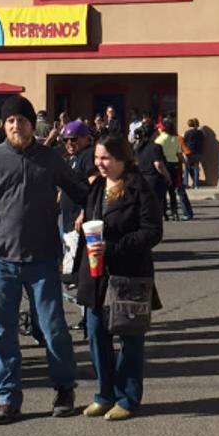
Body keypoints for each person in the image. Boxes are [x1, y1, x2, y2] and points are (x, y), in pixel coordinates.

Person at [0, 95, 89, 425]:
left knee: (53, 327)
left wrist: (98, 205)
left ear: (33, 125)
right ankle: (7, 397)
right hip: (0, 260)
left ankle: (64, 388)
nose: (17, 125)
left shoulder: (50, 159)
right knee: (2, 333)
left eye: (23, 120)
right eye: (11, 120)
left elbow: (79, 190)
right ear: (3, 125)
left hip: (43, 259)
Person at [74, 134, 162, 420]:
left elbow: (152, 232)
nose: (100, 163)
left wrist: (113, 247)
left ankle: (127, 398)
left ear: (123, 159)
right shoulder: (96, 187)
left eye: (106, 158)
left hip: (129, 274)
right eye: (97, 157)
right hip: (96, 274)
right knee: (96, 335)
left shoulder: (140, 188)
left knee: (130, 338)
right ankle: (104, 394)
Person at [155, 118, 193, 220]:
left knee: (163, 191)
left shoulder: (159, 140)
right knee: (172, 191)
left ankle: (164, 213)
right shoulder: (175, 139)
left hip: (164, 164)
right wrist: (184, 163)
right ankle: (174, 212)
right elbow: (179, 153)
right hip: (174, 165)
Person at [133, 125, 170, 216]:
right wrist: (167, 176)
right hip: (153, 179)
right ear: (152, 134)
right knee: (156, 204)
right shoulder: (155, 147)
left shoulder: (137, 147)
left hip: (141, 177)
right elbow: (158, 164)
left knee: (144, 203)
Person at [182, 118, 204, 189]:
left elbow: (183, 141)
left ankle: (186, 183)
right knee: (196, 167)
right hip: (198, 152)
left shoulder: (187, 132)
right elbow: (203, 139)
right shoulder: (200, 132)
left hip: (189, 153)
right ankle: (196, 184)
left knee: (187, 168)